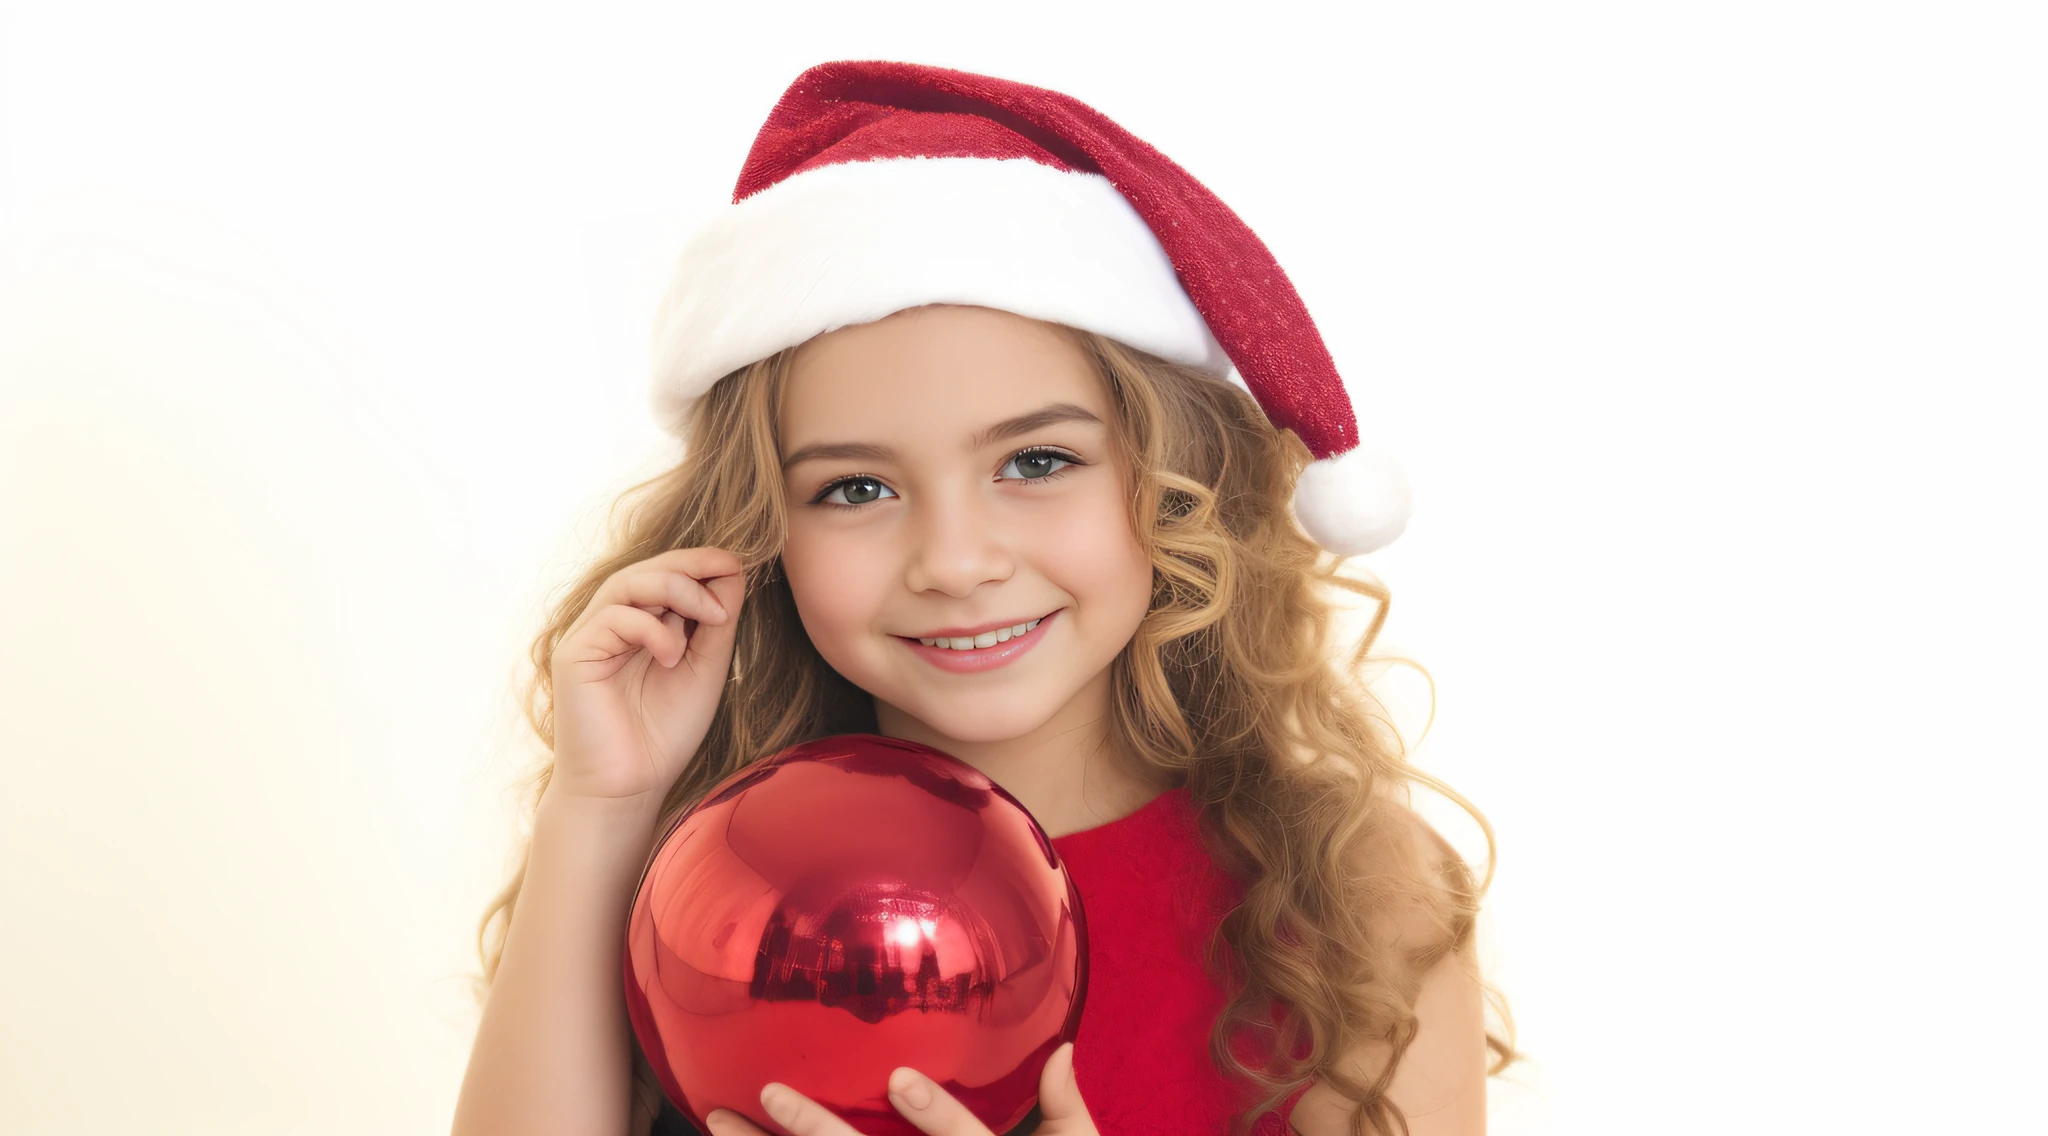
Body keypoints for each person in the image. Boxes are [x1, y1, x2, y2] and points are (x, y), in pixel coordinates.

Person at [452, 60, 1518, 1136]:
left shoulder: (1358, 901)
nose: (954, 560)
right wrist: (603, 808)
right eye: (856, 487)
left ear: (1174, 477)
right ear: (764, 526)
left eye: (1036, 461)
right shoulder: (705, 874)